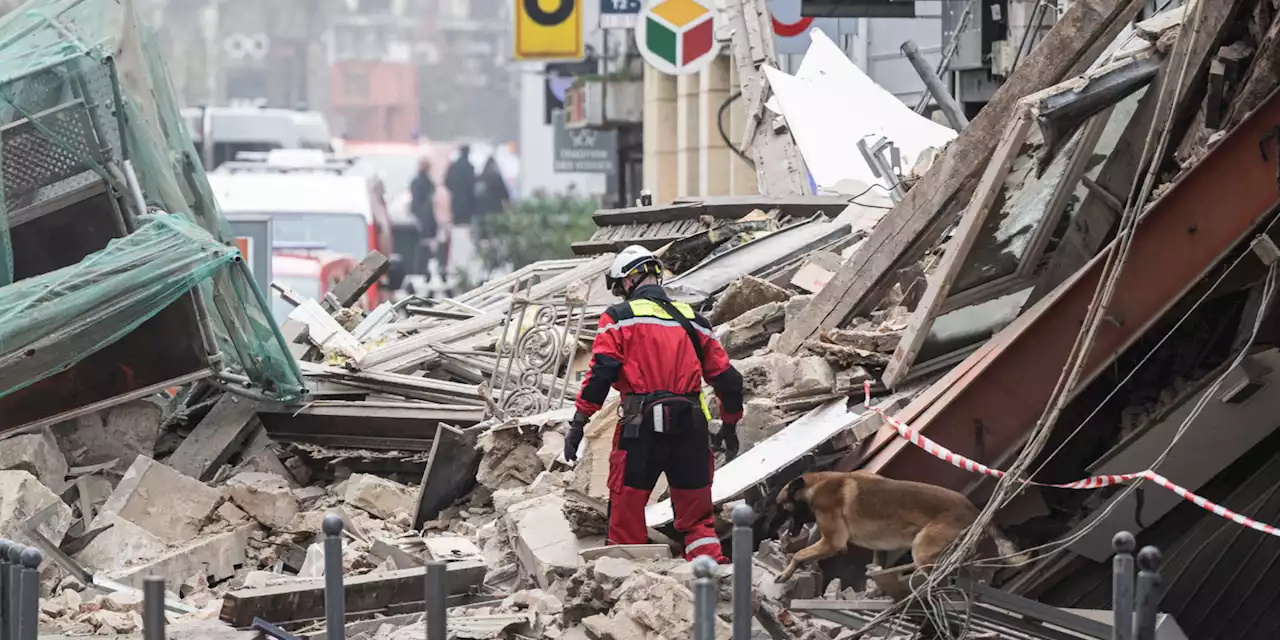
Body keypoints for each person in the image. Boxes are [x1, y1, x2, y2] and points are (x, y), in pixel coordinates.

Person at [563, 246, 744, 564]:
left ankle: (629, 585)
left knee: (626, 515)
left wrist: (579, 422)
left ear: (629, 281)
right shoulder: (694, 320)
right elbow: (728, 379)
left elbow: (602, 372)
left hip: (640, 429)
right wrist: (729, 425)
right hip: (691, 429)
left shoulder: (618, 319)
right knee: (698, 519)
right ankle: (713, 585)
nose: (621, 295)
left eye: (620, 288)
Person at [444, 145, 480, 285]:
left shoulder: (454, 166)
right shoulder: (470, 167)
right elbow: (473, 186)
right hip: (467, 207)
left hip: (457, 205)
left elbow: (446, 181)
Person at [409, 156, 438, 277]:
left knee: (420, 246)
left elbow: (416, 202)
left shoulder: (418, 182)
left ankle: (420, 268)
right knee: (425, 246)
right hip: (426, 219)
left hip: (421, 218)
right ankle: (423, 268)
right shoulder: (429, 183)